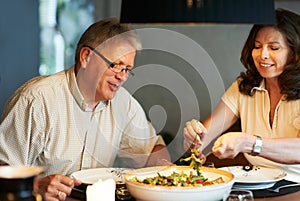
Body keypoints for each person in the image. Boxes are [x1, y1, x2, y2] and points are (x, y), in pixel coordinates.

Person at [0, 18, 170, 200]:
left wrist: (163, 166)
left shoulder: (124, 103)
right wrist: (38, 185)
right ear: (86, 57)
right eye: (115, 65)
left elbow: (152, 148)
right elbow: (3, 170)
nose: (122, 77)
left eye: (127, 69)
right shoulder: (36, 100)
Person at [184, 8, 300, 182]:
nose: (263, 55)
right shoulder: (243, 87)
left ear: (295, 53)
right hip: (257, 186)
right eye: (257, 46)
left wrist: (250, 143)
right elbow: (206, 138)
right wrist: (194, 138)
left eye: (274, 48)